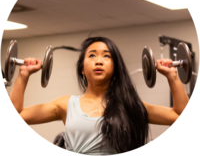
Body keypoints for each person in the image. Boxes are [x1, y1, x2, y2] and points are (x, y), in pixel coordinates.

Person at [9, 37, 189, 154]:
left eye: (107, 56)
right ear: (82, 69)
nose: (99, 61)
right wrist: (23, 75)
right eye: (92, 55)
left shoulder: (130, 105)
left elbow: (181, 116)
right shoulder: (65, 105)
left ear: (116, 67)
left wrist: (172, 76)